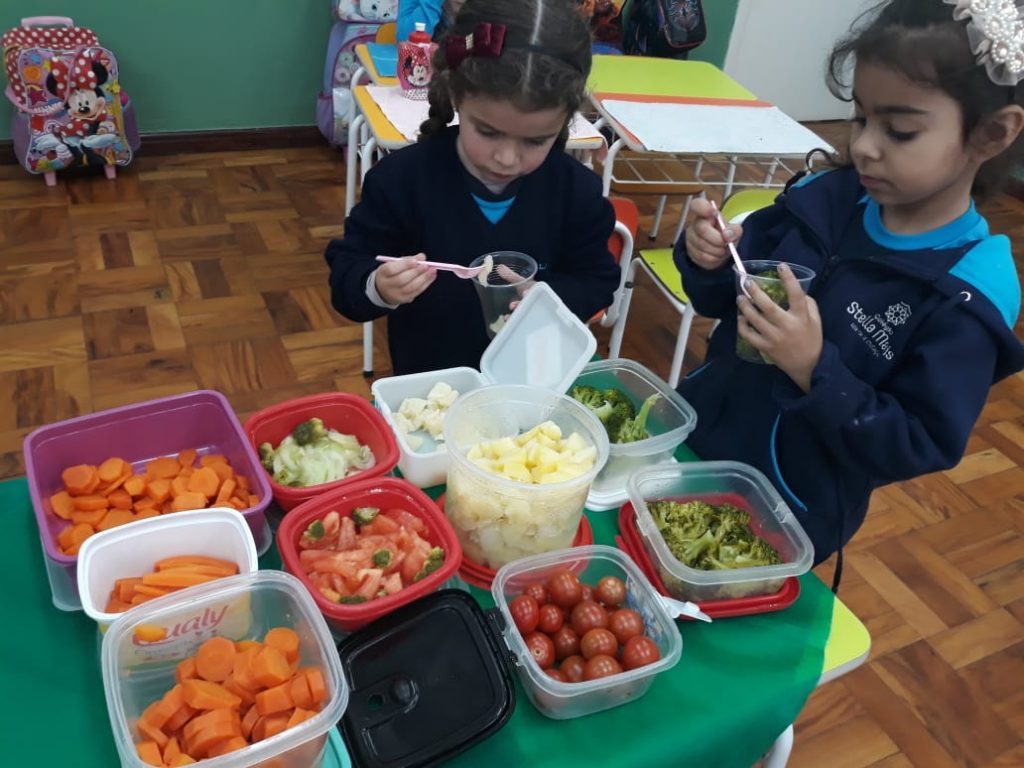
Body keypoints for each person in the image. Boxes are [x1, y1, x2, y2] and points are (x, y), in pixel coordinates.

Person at [674, 0, 1024, 576]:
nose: (863, 145)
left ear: (992, 133)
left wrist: (816, 371)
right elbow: (720, 299)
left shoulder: (966, 291)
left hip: (785, 516)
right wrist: (709, 256)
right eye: (861, 118)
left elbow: (917, 441)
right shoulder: (824, 197)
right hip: (693, 439)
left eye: (900, 130)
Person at [326, 0, 620, 375]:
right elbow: (348, 275)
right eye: (488, 131)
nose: (507, 159)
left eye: (535, 141)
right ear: (456, 96)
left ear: (565, 121)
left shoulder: (576, 193)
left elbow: (597, 279)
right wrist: (378, 287)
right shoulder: (401, 181)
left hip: (532, 384)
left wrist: (553, 297)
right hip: (430, 388)